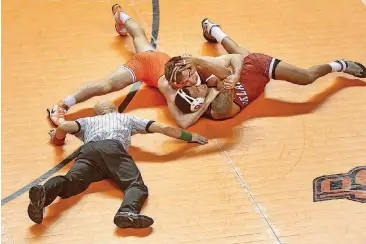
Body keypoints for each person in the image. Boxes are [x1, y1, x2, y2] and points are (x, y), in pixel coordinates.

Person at [29, 100, 208, 228]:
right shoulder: (126, 119)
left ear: (97, 113)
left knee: (70, 183)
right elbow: (163, 128)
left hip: (88, 152)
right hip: (112, 149)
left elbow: (64, 127)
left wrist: (58, 140)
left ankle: (44, 192)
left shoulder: (88, 121)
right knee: (135, 186)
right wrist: (190, 136)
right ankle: (126, 212)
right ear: (115, 110)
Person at [47, 4, 222, 129]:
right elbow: (181, 122)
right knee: (107, 85)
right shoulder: (167, 86)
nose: (193, 79)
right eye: (188, 79)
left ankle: (120, 15)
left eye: (191, 74)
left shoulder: (188, 66)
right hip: (143, 66)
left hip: (157, 57)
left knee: (139, 35)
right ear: (176, 85)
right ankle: (63, 105)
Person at [169, 18, 366, 125]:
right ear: (198, 104)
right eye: (196, 91)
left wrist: (203, 64)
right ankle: (214, 30)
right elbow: (186, 122)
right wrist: (225, 78)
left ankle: (340, 65)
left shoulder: (210, 84)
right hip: (250, 77)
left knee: (306, 77)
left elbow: (232, 65)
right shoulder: (219, 109)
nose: (198, 86)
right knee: (242, 53)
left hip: (257, 67)